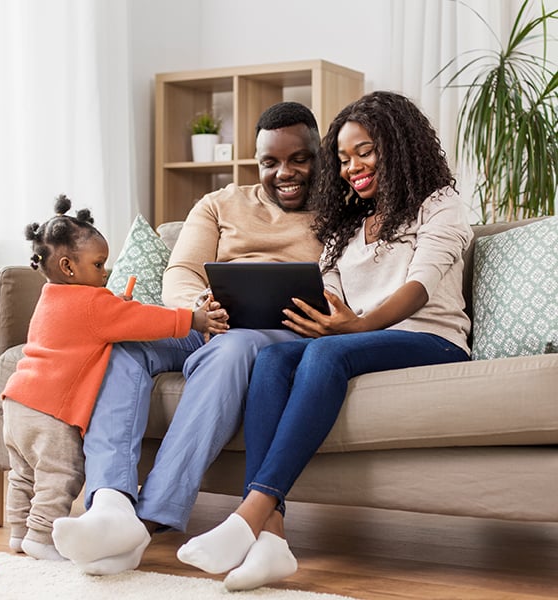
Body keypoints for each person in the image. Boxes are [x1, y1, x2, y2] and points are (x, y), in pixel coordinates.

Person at [176, 91, 474, 591]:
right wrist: (324, 317)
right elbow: (332, 290)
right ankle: (272, 540)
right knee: (273, 358)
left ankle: (249, 516)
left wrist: (355, 326)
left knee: (325, 353)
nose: (352, 166)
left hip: (430, 338)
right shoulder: (349, 223)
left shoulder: (440, 205)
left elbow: (420, 286)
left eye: (365, 151)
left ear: (398, 146)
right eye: (343, 157)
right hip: (360, 338)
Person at [51, 101, 324, 574]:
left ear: (319, 154)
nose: (285, 173)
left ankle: (150, 517)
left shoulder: (343, 214)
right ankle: (112, 504)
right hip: (209, 324)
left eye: (298, 158)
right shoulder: (220, 203)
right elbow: (181, 271)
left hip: (277, 335)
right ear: (254, 162)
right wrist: (202, 309)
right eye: (270, 162)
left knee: (234, 347)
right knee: (123, 346)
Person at [1, 195, 226, 562]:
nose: (105, 271)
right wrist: (194, 319)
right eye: (99, 264)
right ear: (68, 267)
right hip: (50, 412)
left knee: (23, 474)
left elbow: (97, 321)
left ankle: (17, 531)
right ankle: (41, 536)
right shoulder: (94, 304)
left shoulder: (51, 296)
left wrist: (110, 304)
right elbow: (146, 320)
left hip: (17, 402)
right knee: (62, 473)